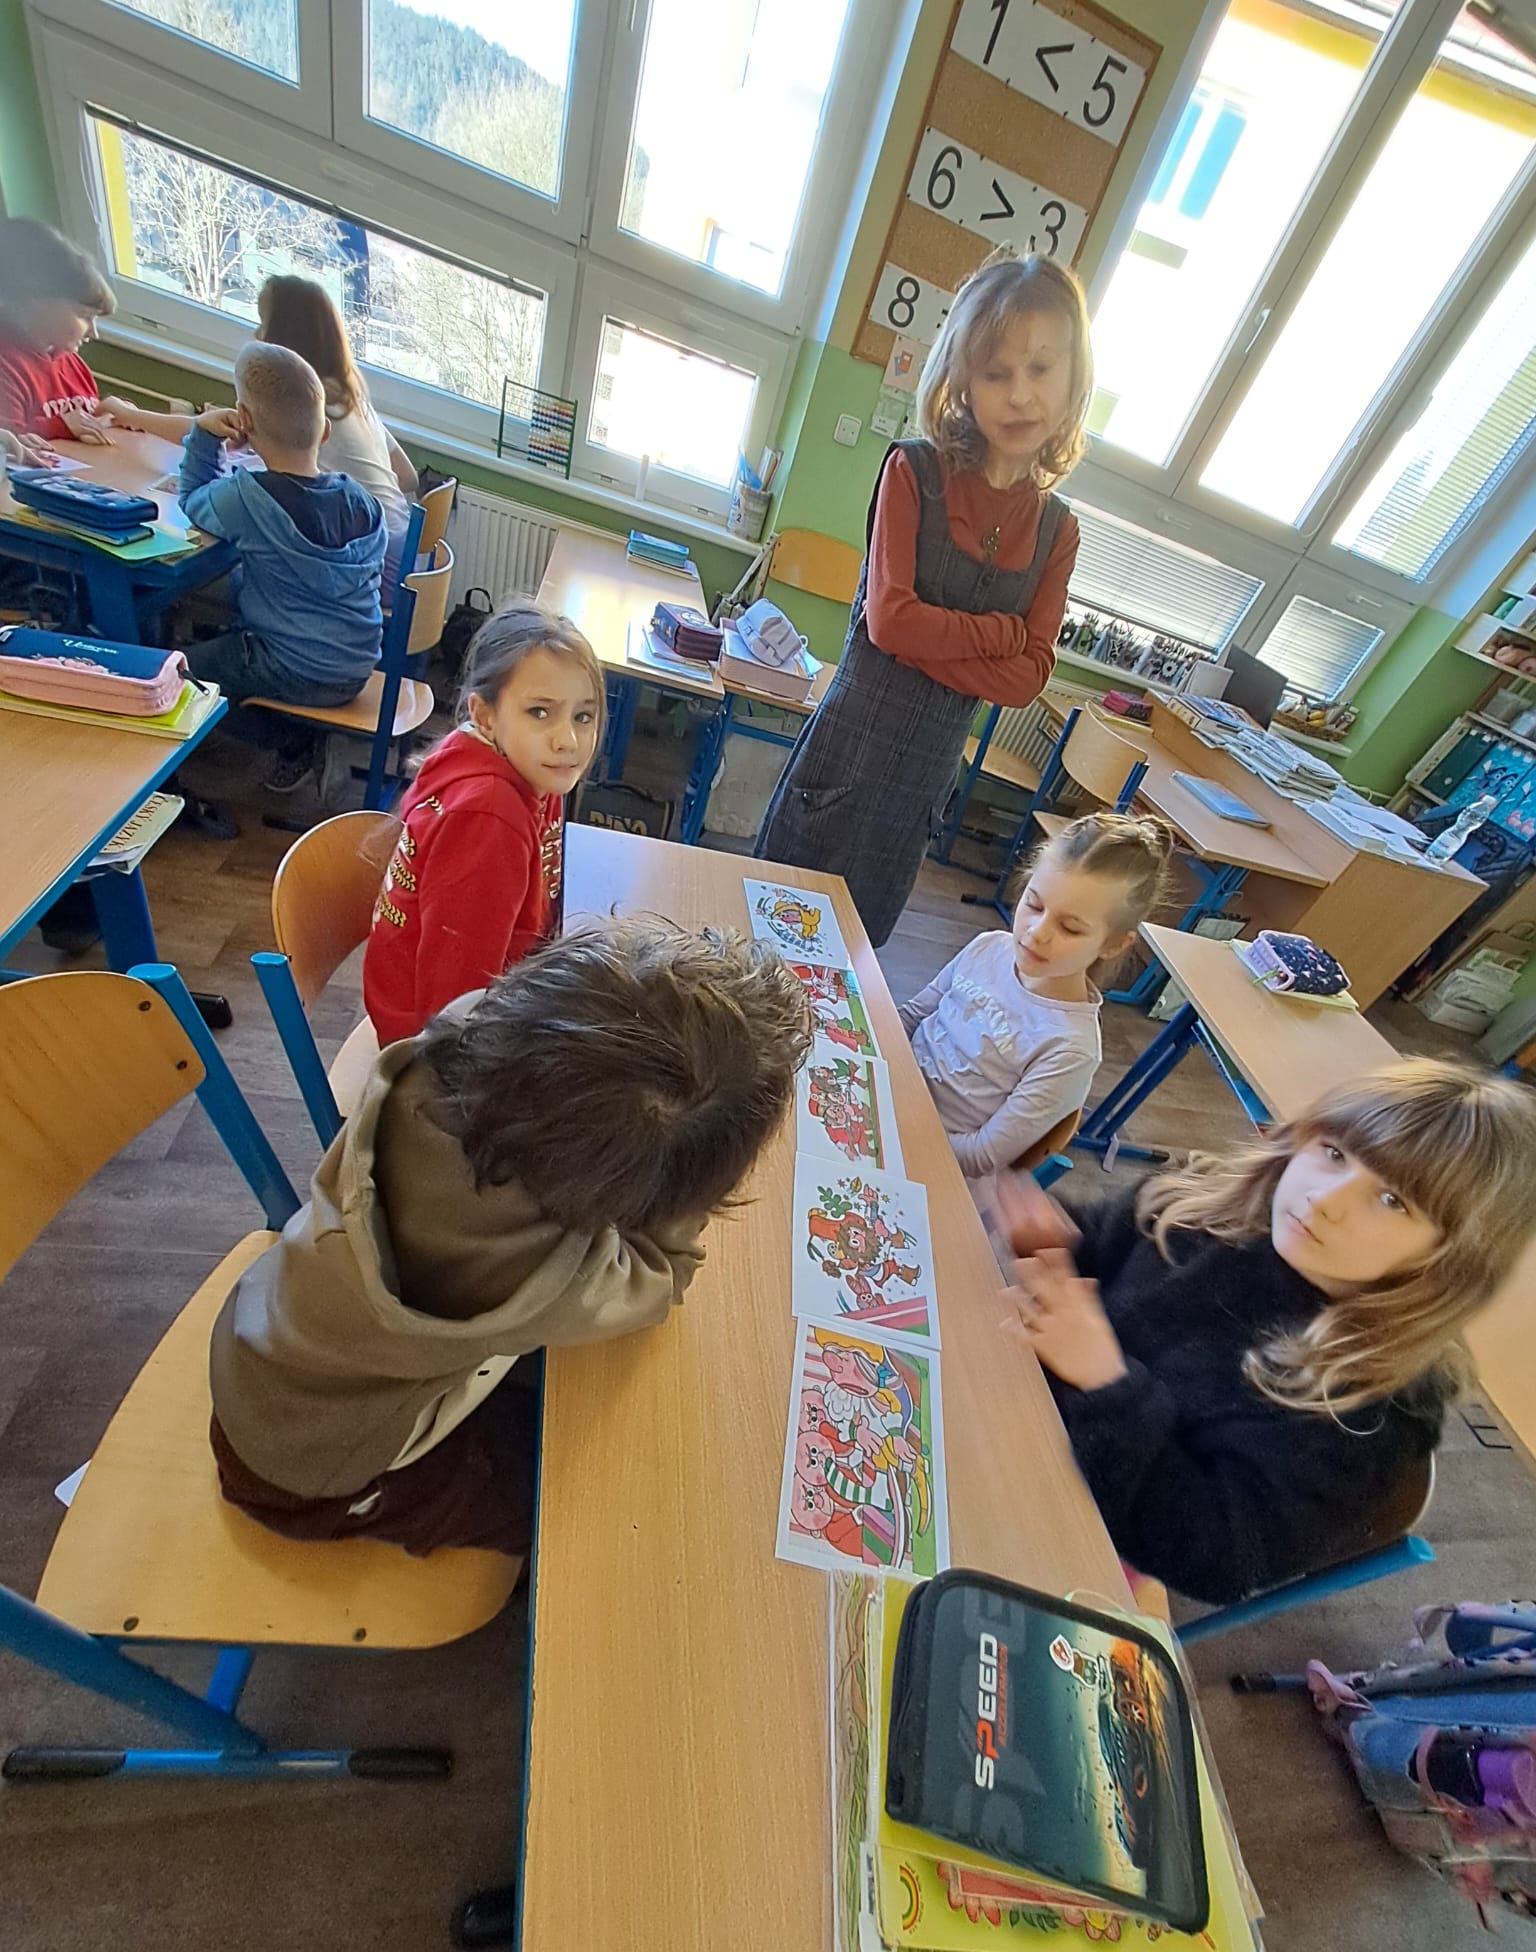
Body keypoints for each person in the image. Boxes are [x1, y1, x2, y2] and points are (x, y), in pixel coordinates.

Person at [209, 915, 812, 1561]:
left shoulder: (448, 1044)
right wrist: (679, 1197)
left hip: (263, 1337)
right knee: (572, 1495)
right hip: (304, 1477)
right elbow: (664, 1277)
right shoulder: (554, 1282)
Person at [994, 1059, 1536, 1605]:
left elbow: (1216, 1556)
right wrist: (1061, 1243)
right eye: (1334, 1153)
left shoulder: (1368, 1420)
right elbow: (1102, 1251)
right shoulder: (1205, 1200)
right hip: (1020, 1409)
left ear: (1448, 1261)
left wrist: (1105, 1382)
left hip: (1085, 1524)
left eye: (1392, 1201)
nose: (1325, 1201)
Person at [754, 253, 1089, 947]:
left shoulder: (1059, 531)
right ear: (963, 379)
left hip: (918, 789)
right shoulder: (913, 470)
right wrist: (998, 636)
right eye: (995, 372)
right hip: (844, 759)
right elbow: (889, 622)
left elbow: (1029, 678)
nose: (1019, 395)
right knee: (766, 923)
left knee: (855, 951)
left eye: (1040, 369)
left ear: (1073, 379)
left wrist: (921, 641)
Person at [363, 605, 605, 1046]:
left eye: (582, 716)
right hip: (436, 1046)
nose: (567, 740)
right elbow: (454, 1010)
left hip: (487, 1000)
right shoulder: (489, 820)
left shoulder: (532, 766)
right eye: (540, 712)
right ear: (485, 715)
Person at [899, 813, 1171, 1176]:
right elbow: (911, 1017)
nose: (1037, 932)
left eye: (1070, 928)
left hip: (932, 1160)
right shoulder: (988, 948)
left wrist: (897, 1129)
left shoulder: (1070, 1048)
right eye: (1034, 905)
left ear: (1114, 944)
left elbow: (980, 1156)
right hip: (891, 1091)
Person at [178, 339, 387, 791]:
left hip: (293, 668)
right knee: (238, 610)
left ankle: (292, 741)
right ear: (324, 431)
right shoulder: (365, 503)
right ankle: (306, 734)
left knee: (176, 674)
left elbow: (191, 499)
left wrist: (204, 434)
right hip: (356, 667)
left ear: (244, 419)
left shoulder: (246, 499)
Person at [255, 273, 418, 598]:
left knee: (257, 571)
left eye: (262, 324)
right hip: (404, 557)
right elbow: (408, 476)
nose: (256, 335)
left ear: (283, 338)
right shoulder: (350, 397)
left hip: (375, 570)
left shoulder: (309, 406)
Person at [0, 217, 121, 451]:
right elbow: (8, 446)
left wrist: (115, 415)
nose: (93, 333)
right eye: (84, 316)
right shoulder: (6, 364)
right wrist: (58, 426)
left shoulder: (71, 362)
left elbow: (86, 423)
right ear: (37, 300)